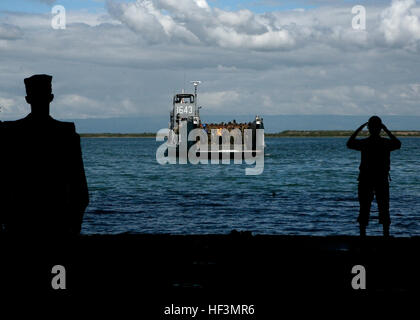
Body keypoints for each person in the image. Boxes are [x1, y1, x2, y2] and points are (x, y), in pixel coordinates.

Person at [0, 74, 89, 237]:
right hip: (57, 224)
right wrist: (74, 226)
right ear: (51, 98)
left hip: (21, 224)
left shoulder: (11, 132)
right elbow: (80, 188)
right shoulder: (66, 133)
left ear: (27, 99)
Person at [347, 116, 401, 237]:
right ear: (380, 128)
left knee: (364, 207)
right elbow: (398, 144)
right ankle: (385, 234)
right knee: (384, 207)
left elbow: (349, 143)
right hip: (381, 179)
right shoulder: (385, 143)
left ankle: (363, 235)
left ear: (369, 128)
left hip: (366, 179)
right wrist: (386, 130)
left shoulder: (365, 143)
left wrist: (359, 128)